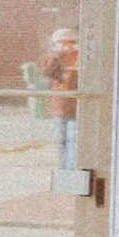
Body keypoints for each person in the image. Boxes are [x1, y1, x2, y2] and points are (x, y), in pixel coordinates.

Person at [38, 26, 80, 166]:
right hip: (60, 107)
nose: (66, 47)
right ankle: (63, 168)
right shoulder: (53, 58)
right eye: (62, 43)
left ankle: (71, 169)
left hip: (76, 107)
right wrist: (58, 55)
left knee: (73, 140)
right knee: (61, 141)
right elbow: (47, 71)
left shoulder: (79, 56)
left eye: (70, 42)